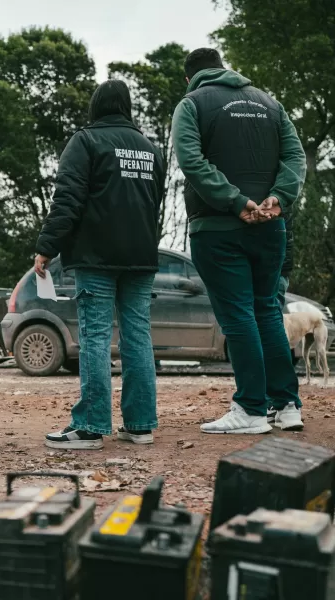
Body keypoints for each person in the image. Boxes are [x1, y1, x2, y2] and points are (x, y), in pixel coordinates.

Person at [171, 48, 307, 434]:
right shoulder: (269, 102)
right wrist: (278, 198)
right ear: (223, 66)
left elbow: (192, 160)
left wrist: (234, 201)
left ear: (190, 78)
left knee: (239, 316)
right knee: (267, 311)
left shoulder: (192, 104)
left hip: (218, 229)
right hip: (270, 227)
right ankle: (286, 405)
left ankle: (250, 408)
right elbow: (295, 158)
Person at [34, 80, 166, 450]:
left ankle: (90, 427)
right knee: (137, 336)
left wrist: (47, 246)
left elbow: (68, 200)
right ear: (126, 107)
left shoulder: (86, 141)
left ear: (96, 106)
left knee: (95, 336)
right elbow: (153, 203)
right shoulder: (151, 150)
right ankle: (140, 426)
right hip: (141, 257)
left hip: (97, 257)